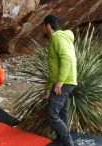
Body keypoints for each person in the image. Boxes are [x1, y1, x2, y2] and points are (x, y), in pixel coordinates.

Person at [42, 15, 77, 146]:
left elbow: (66, 59)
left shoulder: (57, 38)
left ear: (48, 26)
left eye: (43, 27)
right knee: (62, 114)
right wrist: (46, 89)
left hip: (64, 82)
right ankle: (61, 141)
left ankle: (68, 143)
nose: (43, 29)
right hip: (67, 81)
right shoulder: (59, 38)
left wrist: (60, 82)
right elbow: (53, 70)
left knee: (52, 116)